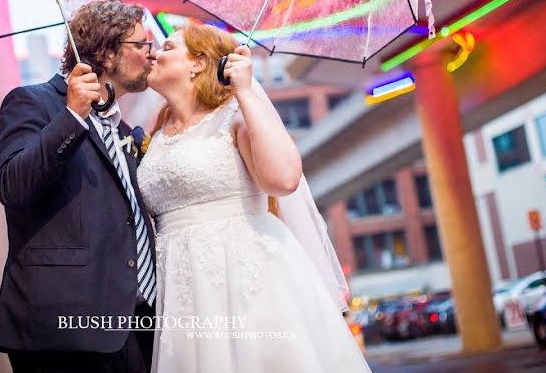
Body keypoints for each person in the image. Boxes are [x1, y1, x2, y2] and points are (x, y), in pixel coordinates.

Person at [137, 24, 371, 372]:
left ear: (198, 64)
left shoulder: (235, 116)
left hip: (244, 274)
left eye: (168, 47)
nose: (155, 52)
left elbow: (284, 179)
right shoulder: (154, 130)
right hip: (181, 284)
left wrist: (245, 92)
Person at [0, 0, 158, 373]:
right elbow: (13, 187)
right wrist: (70, 117)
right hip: (66, 334)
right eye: (141, 46)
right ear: (106, 54)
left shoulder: (123, 129)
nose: (151, 55)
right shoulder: (31, 103)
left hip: (136, 325)